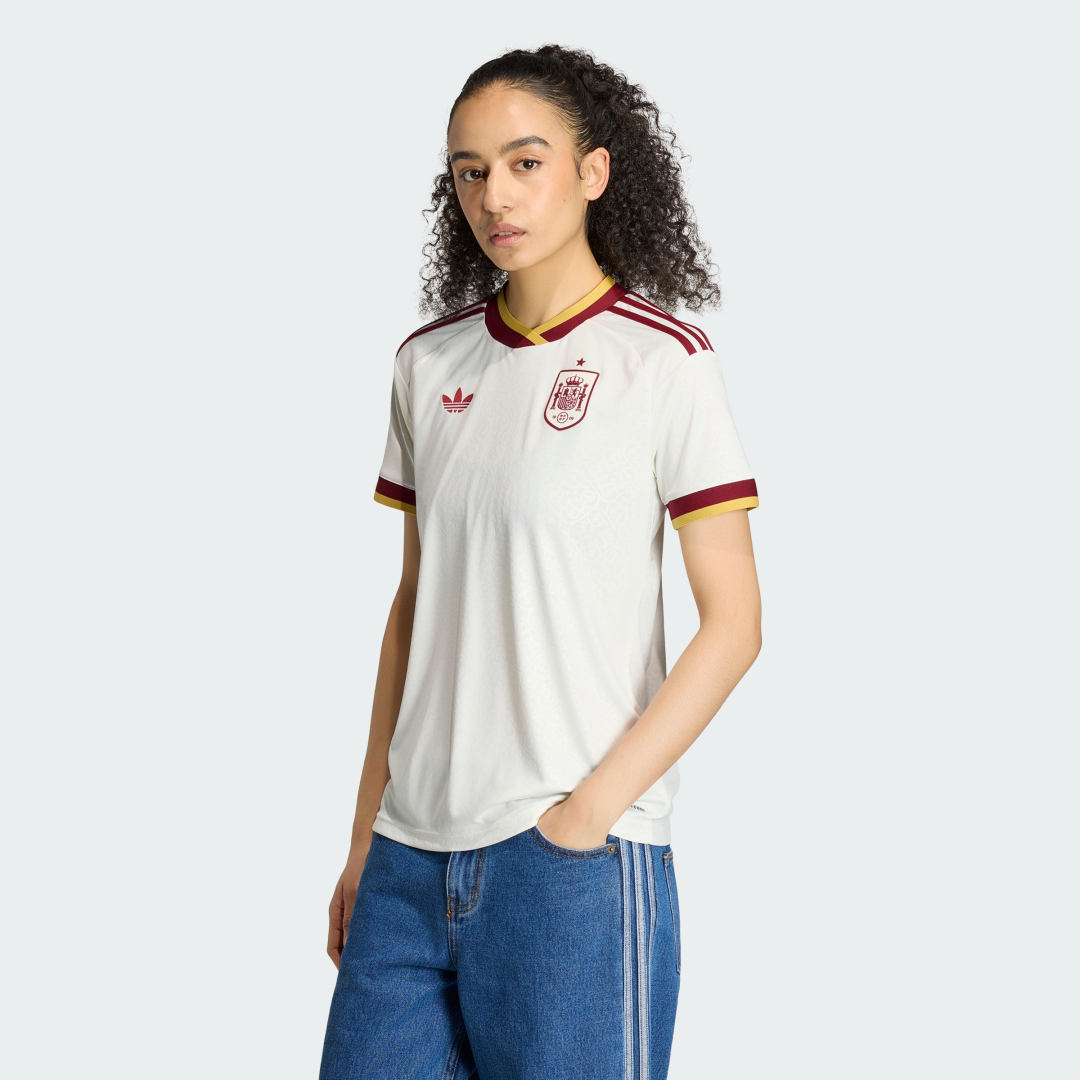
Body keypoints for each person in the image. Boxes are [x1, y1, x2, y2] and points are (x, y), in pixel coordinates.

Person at [318, 43, 762, 1080]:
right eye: (470, 171)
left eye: (526, 163)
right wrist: (365, 835)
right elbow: (415, 606)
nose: (495, 197)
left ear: (594, 171)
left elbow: (736, 623)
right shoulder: (428, 364)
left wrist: (589, 816)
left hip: (569, 866)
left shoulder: (663, 363)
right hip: (407, 861)